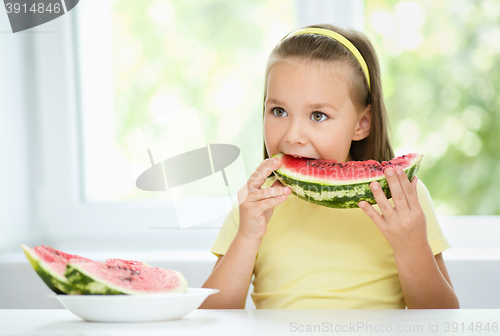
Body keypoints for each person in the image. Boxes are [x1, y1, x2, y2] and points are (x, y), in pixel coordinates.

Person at [200, 24, 460, 309]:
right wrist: (248, 235)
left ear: (362, 123)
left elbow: (443, 318)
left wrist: (411, 247)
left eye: (318, 115)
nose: (293, 135)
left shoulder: (401, 196)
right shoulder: (255, 204)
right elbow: (213, 315)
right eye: (279, 111)